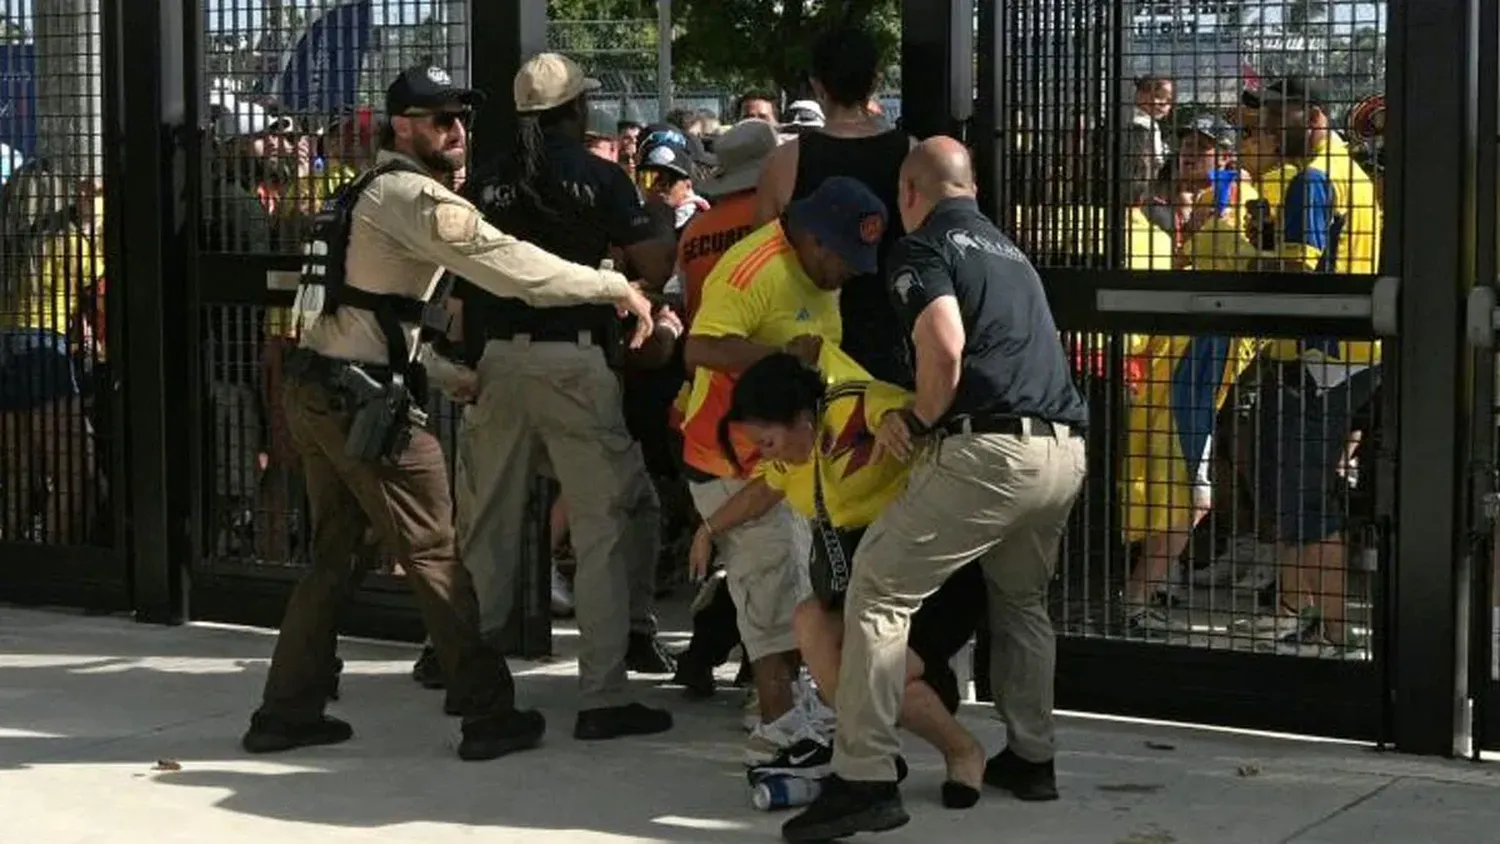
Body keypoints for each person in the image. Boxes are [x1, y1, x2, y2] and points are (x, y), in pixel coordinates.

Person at [239, 64, 656, 761]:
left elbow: (358, 310)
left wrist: (437, 368)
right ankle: (489, 712)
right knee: (438, 553)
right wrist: (614, 283)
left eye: (461, 115)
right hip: (362, 400)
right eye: (439, 118)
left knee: (335, 558)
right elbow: (509, 264)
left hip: (323, 389)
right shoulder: (412, 198)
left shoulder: (357, 194)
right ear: (401, 126)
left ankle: (286, 712)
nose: (456, 129)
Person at [783, 139, 1089, 841]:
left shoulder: (921, 248)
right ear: (971, 187)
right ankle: (1032, 758)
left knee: (876, 590)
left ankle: (862, 779)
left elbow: (944, 346)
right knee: (1022, 605)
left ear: (909, 192)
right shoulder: (1007, 251)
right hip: (1062, 450)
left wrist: (915, 418)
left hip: (985, 452)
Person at [454, 52, 679, 738]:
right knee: (603, 527)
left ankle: (470, 675)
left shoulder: (487, 182)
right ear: (576, 110)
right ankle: (603, 695)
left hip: (495, 362)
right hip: (575, 362)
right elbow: (657, 262)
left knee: (485, 528)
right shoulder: (599, 176)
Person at [688, 350, 988, 803]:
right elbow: (761, 492)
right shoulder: (790, 462)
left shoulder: (848, 407)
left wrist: (894, 421)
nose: (763, 455)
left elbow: (899, 410)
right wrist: (708, 529)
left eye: (767, 442)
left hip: (930, 578)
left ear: (802, 420)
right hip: (865, 589)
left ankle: (963, 753)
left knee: (876, 678)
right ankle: (868, 754)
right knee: (811, 618)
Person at [681, 175, 888, 763]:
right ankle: (778, 730)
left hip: (783, 464)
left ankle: (792, 714)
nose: (848, 276)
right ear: (817, 241)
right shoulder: (754, 270)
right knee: (773, 597)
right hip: (735, 460)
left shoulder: (818, 270)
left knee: (793, 586)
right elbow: (699, 349)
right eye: (845, 262)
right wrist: (780, 356)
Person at [757, 25, 915, 388]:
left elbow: (760, 259)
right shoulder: (912, 155)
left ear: (817, 85)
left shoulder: (785, 162)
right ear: (875, 81)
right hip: (892, 338)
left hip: (809, 345)